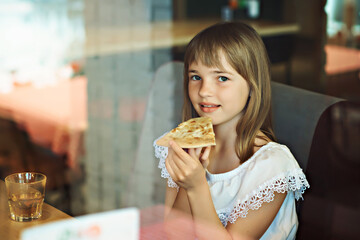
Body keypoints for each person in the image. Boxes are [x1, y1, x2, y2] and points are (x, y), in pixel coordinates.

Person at [153, 22, 309, 239]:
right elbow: (173, 233)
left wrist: (197, 186)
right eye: (196, 77)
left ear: (253, 87)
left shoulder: (272, 166)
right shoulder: (182, 146)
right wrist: (186, 181)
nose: (204, 91)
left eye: (222, 78)